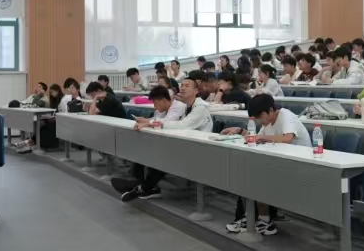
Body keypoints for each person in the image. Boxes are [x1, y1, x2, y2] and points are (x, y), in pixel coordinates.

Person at [223, 94, 311, 235]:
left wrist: (262, 137)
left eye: (260, 117)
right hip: (281, 163)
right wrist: (240, 131)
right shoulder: (267, 123)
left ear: (270, 110)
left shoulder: (285, 115)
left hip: (301, 165)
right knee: (246, 174)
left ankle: (262, 221)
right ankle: (250, 218)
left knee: (256, 178)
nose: (259, 121)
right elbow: (257, 138)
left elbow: (287, 138)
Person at [115, 78, 213, 202]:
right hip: (187, 144)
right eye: (182, 85)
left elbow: (183, 125)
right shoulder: (187, 106)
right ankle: (142, 186)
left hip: (201, 149)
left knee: (162, 154)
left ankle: (142, 187)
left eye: (187, 86)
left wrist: (151, 123)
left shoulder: (200, 108)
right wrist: (151, 122)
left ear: (196, 91)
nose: (183, 87)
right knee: (155, 151)